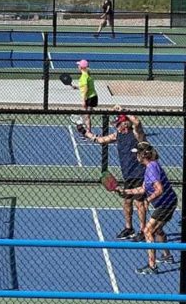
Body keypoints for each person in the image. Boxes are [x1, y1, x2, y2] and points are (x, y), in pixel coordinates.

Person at [120, 141, 178, 275]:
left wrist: (147, 200)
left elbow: (159, 189)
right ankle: (167, 256)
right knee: (158, 230)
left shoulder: (152, 167)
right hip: (167, 202)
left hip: (166, 204)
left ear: (143, 155)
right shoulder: (149, 167)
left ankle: (152, 266)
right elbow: (143, 188)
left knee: (148, 231)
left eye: (137, 154)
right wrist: (126, 191)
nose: (136, 157)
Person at [87, 110, 147, 239]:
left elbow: (137, 122)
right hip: (127, 174)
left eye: (118, 123)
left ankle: (143, 231)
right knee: (126, 201)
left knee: (139, 203)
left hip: (139, 174)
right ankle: (129, 228)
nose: (116, 126)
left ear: (125, 124)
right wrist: (85, 133)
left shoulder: (137, 135)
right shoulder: (117, 135)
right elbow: (100, 140)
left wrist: (123, 110)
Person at [70, 59, 98, 136]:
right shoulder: (87, 75)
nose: (77, 66)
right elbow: (86, 87)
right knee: (87, 115)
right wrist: (77, 87)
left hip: (89, 98)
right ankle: (88, 131)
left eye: (78, 65)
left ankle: (88, 132)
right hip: (93, 97)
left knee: (86, 116)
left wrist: (83, 100)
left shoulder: (84, 77)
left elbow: (85, 88)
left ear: (81, 67)